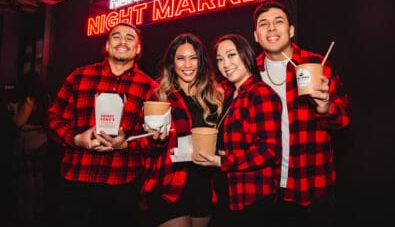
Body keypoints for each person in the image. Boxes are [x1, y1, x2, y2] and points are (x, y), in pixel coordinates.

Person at [48, 22, 167, 227]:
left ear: (138, 48)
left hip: (121, 184)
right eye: (116, 36)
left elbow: (154, 140)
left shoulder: (151, 89)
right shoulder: (78, 77)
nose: (122, 41)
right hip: (76, 178)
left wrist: (126, 144)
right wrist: (77, 139)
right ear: (107, 45)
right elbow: (53, 119)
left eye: (130, 38)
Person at [253, 0, 352, 226]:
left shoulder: (316, 64)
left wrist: (326, 108)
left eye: (278, 21)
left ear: (291, 30)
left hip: (312, 185)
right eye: (263, 23)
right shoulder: (250, 73)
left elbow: (345, 117)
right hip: (267, 188)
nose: (271, 28)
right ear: (256, 35)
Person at [194, 33, 282, 226]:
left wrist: (223, 160)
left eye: (232, 55)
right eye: (219, 59)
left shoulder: (260, 93)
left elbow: (270, 151)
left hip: (252, 199)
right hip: (228, 195)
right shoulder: (229, 94)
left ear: (246, 55)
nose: (226, 64)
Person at [141, 33, 224, 227]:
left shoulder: (215, 96)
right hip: (169, 183)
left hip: (204, 184)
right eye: (181, 58)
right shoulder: (160, 95)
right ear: (172, 63)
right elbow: (144, 144)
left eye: (193, 57)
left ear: (201, 61)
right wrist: (155, 139)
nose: (187, 64)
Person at [9, 71, 50, 225]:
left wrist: (15, 109)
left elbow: (19, 122)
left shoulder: (28, 100)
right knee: (37, 178)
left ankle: (25, 215)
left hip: (28, 139)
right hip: (41, 138)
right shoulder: (45, 99)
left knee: (25, 179)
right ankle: (37, 212)